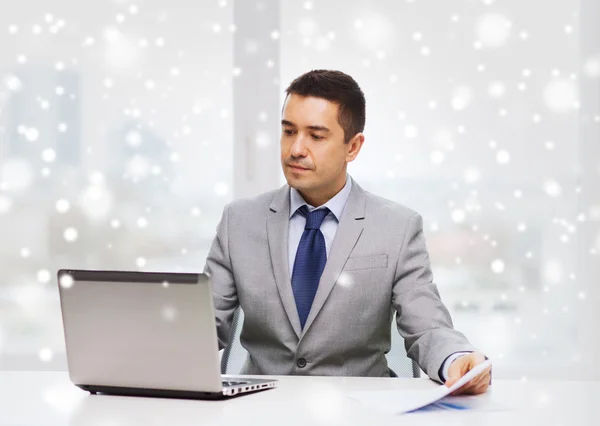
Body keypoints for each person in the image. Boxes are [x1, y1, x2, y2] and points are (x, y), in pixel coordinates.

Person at [205, 69, 491, 395]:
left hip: (361, 410)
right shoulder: (239, 221)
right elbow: (203, 328)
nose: (296, 149)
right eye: (288, 131)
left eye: (316, 136)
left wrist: (457, 359)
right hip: (261, 408)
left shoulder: (397, 228)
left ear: (352, 147)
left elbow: (427, 328)